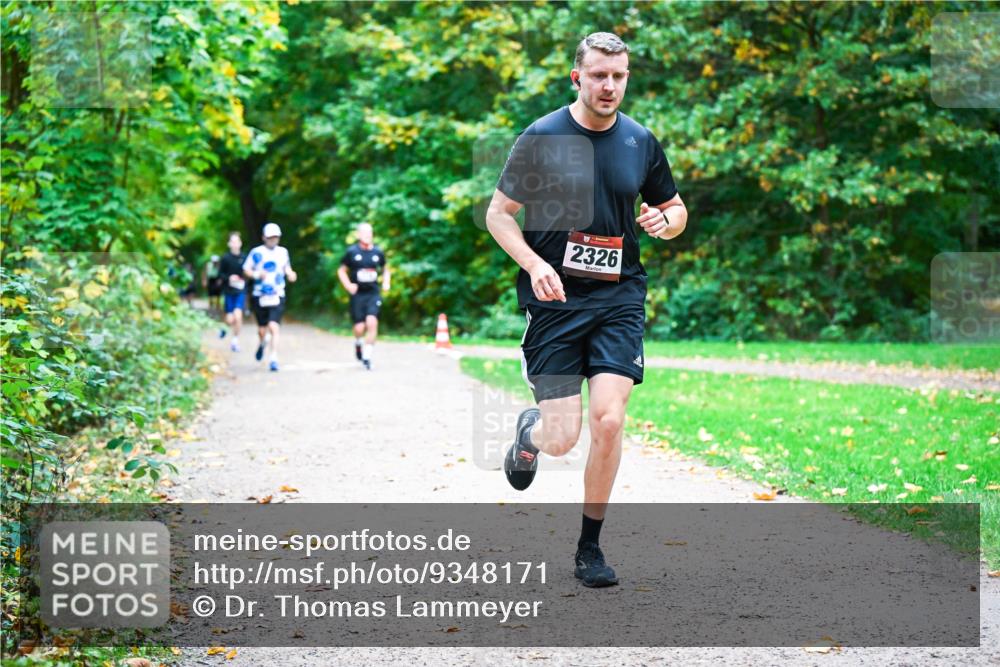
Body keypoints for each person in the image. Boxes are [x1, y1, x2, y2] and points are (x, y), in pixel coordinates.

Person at [485, 32, 688, 588]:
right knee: (562, 438)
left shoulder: (640, 142)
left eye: (619, 76)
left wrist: (664, 222)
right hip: (554, 301)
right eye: (599, 75)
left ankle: (589, 548)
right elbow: (499, 215)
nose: (610, 85)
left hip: (619, 296)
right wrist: (533, 264)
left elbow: (675, 209)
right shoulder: (543, 136)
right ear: (578, 77)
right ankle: (531, 435)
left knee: (610, 419)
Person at [243, 222, 297, 372]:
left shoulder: (283, 252)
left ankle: (273, 357)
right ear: (264, 238)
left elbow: (287, 268)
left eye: (275, 237)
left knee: (274, 326)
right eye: (270, 237)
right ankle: (262, 342)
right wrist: (256, 274)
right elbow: (246, 269)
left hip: (277, 294)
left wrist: (291, 274)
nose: (273, 240)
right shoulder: (256, 252)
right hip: (260, 294)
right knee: (262, 329)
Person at [337, 222, 390, 370]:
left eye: (370, 233)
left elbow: (386, 269)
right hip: (358, 294)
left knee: (372, 322)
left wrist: (386, 282)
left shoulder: (378, 252)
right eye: (365, 233)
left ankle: (367, 357)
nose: (368, 236)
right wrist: (348, 285)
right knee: (359, 328)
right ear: (359, 235)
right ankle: (358, 343)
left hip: (373, 293)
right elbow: (341, 271)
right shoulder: (352, 252)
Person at [218, 232, 247, 352]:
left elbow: (248, 273)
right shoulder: (225, 258)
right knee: (230, 319)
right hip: (229, 291)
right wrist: (229, 278)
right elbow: (220, 274)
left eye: (237, 241)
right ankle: (224, 327)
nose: (235, 244)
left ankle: (235, 341)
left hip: (240, 291)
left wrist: (244, 279)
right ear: (229, 244)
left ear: (240, 243)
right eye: (233, 242)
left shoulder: (245, 258)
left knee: (238, 316)